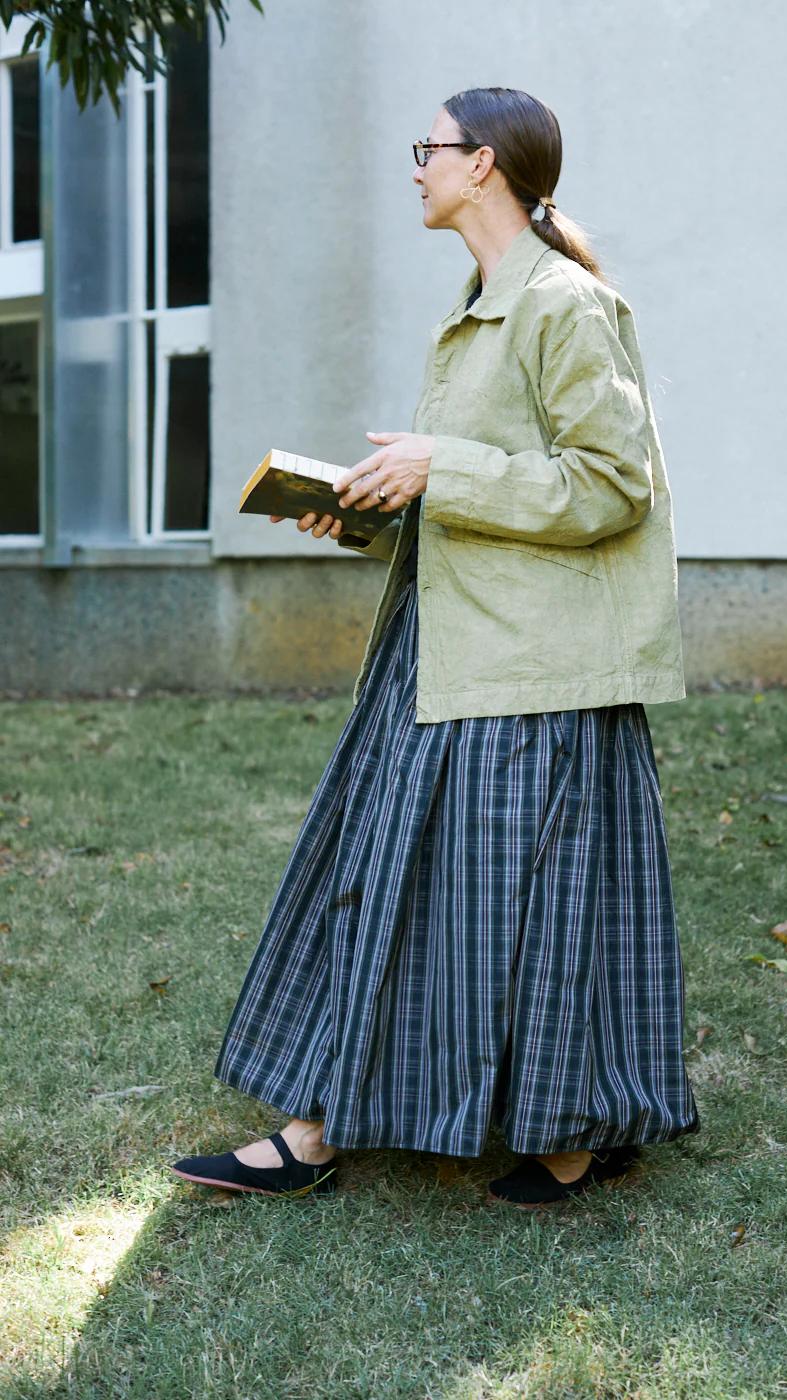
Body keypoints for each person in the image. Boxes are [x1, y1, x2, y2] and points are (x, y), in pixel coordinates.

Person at [171, 86, 700, 1210]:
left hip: (532, 668)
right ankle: (316, 1130)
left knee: (516, 901)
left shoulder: (567, 306)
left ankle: (564, 1132)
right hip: (445, 644)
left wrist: (435, 468)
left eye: (434, 148)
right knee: (380, 876)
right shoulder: (475, 307)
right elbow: (487, 492)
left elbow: (610, 488)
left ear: (488, 165)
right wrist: (368, 506)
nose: (417, 166)